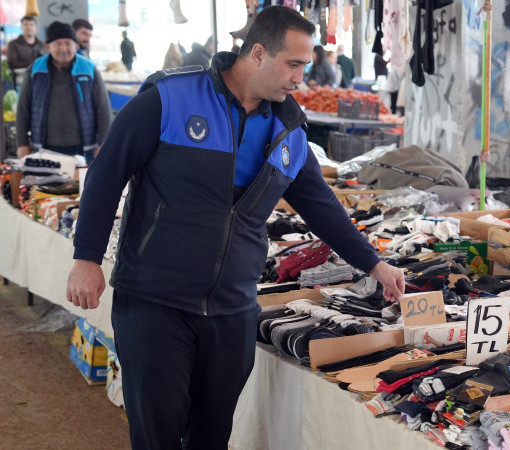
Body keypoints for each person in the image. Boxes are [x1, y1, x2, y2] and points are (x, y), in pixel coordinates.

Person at [65, 6, 404, 449]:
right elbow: (107, 172)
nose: (300, 77)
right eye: (294, 64)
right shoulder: (170, 99)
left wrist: (373, 264)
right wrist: (86, 257)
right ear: (258, 53)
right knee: (157, 435)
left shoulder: (289, 130)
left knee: (212, 436)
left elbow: (320, 205)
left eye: (305, 65)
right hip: (155, 301)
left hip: (232, 311)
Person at [15, 21, 111, 163]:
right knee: (45, 185)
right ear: (48, 46)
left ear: (76, 46)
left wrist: (104, 143)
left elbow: (103, 109)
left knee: (82, 184)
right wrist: (22, 144)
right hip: (45, 147)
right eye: (58, 43)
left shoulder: (89, 69)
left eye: (68, 43)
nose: (63, 48)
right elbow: (23, 109)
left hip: (83, 147)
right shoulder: (35, 70)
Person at [7, 16, 46, 89]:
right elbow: (12, 63)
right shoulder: (13, 44)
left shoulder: (42, 45)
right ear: (21, 27)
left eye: (31, 25)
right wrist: (34, 63)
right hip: (21, 81)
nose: (29, 27)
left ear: (35, 28)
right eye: (26, 24)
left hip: (41, 80)